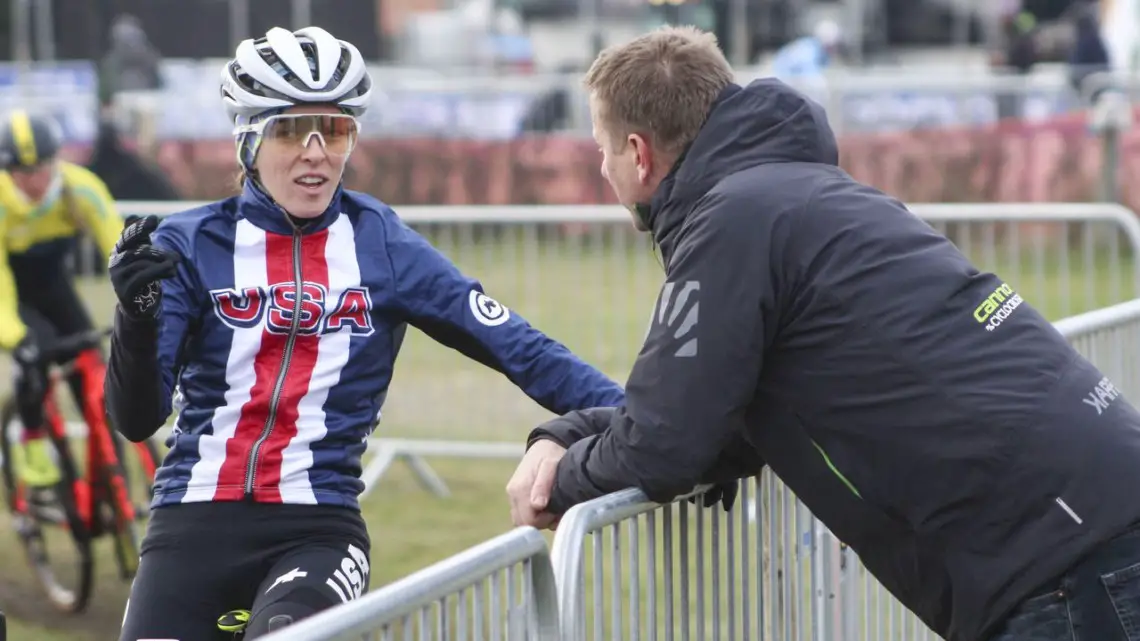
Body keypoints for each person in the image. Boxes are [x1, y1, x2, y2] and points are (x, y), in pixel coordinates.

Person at [506, 25, 1140, 641]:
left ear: (640, 154)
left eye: (603, 147)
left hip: (1061, 554)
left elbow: (666, 443)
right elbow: (710, 422)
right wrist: (570, 432)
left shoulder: (732, 223)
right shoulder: (805, 194)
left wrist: (556, 483)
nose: (601, 166)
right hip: (1090, 509)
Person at [105, 25, 624, 641]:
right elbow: (136, 419)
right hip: (189, 524)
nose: (317, 152)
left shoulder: (382, 242)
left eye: (338, 128)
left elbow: (520, 348)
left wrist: (649, 420)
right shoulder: (188, 245)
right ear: (248, 136)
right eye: (292, 129)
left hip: (316, 529)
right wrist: (136, 320)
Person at [0, 110, 124, 503]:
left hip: (57, 292)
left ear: (56, 161)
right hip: (14, 299)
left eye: (41, 169)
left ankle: (110, 462)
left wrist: (145, 299)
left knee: (95, 368)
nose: (34, 181)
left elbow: (118, 248)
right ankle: (34, 448)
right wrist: (15, 337)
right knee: (34, 363)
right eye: (22, 173)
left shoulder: (80, 188)